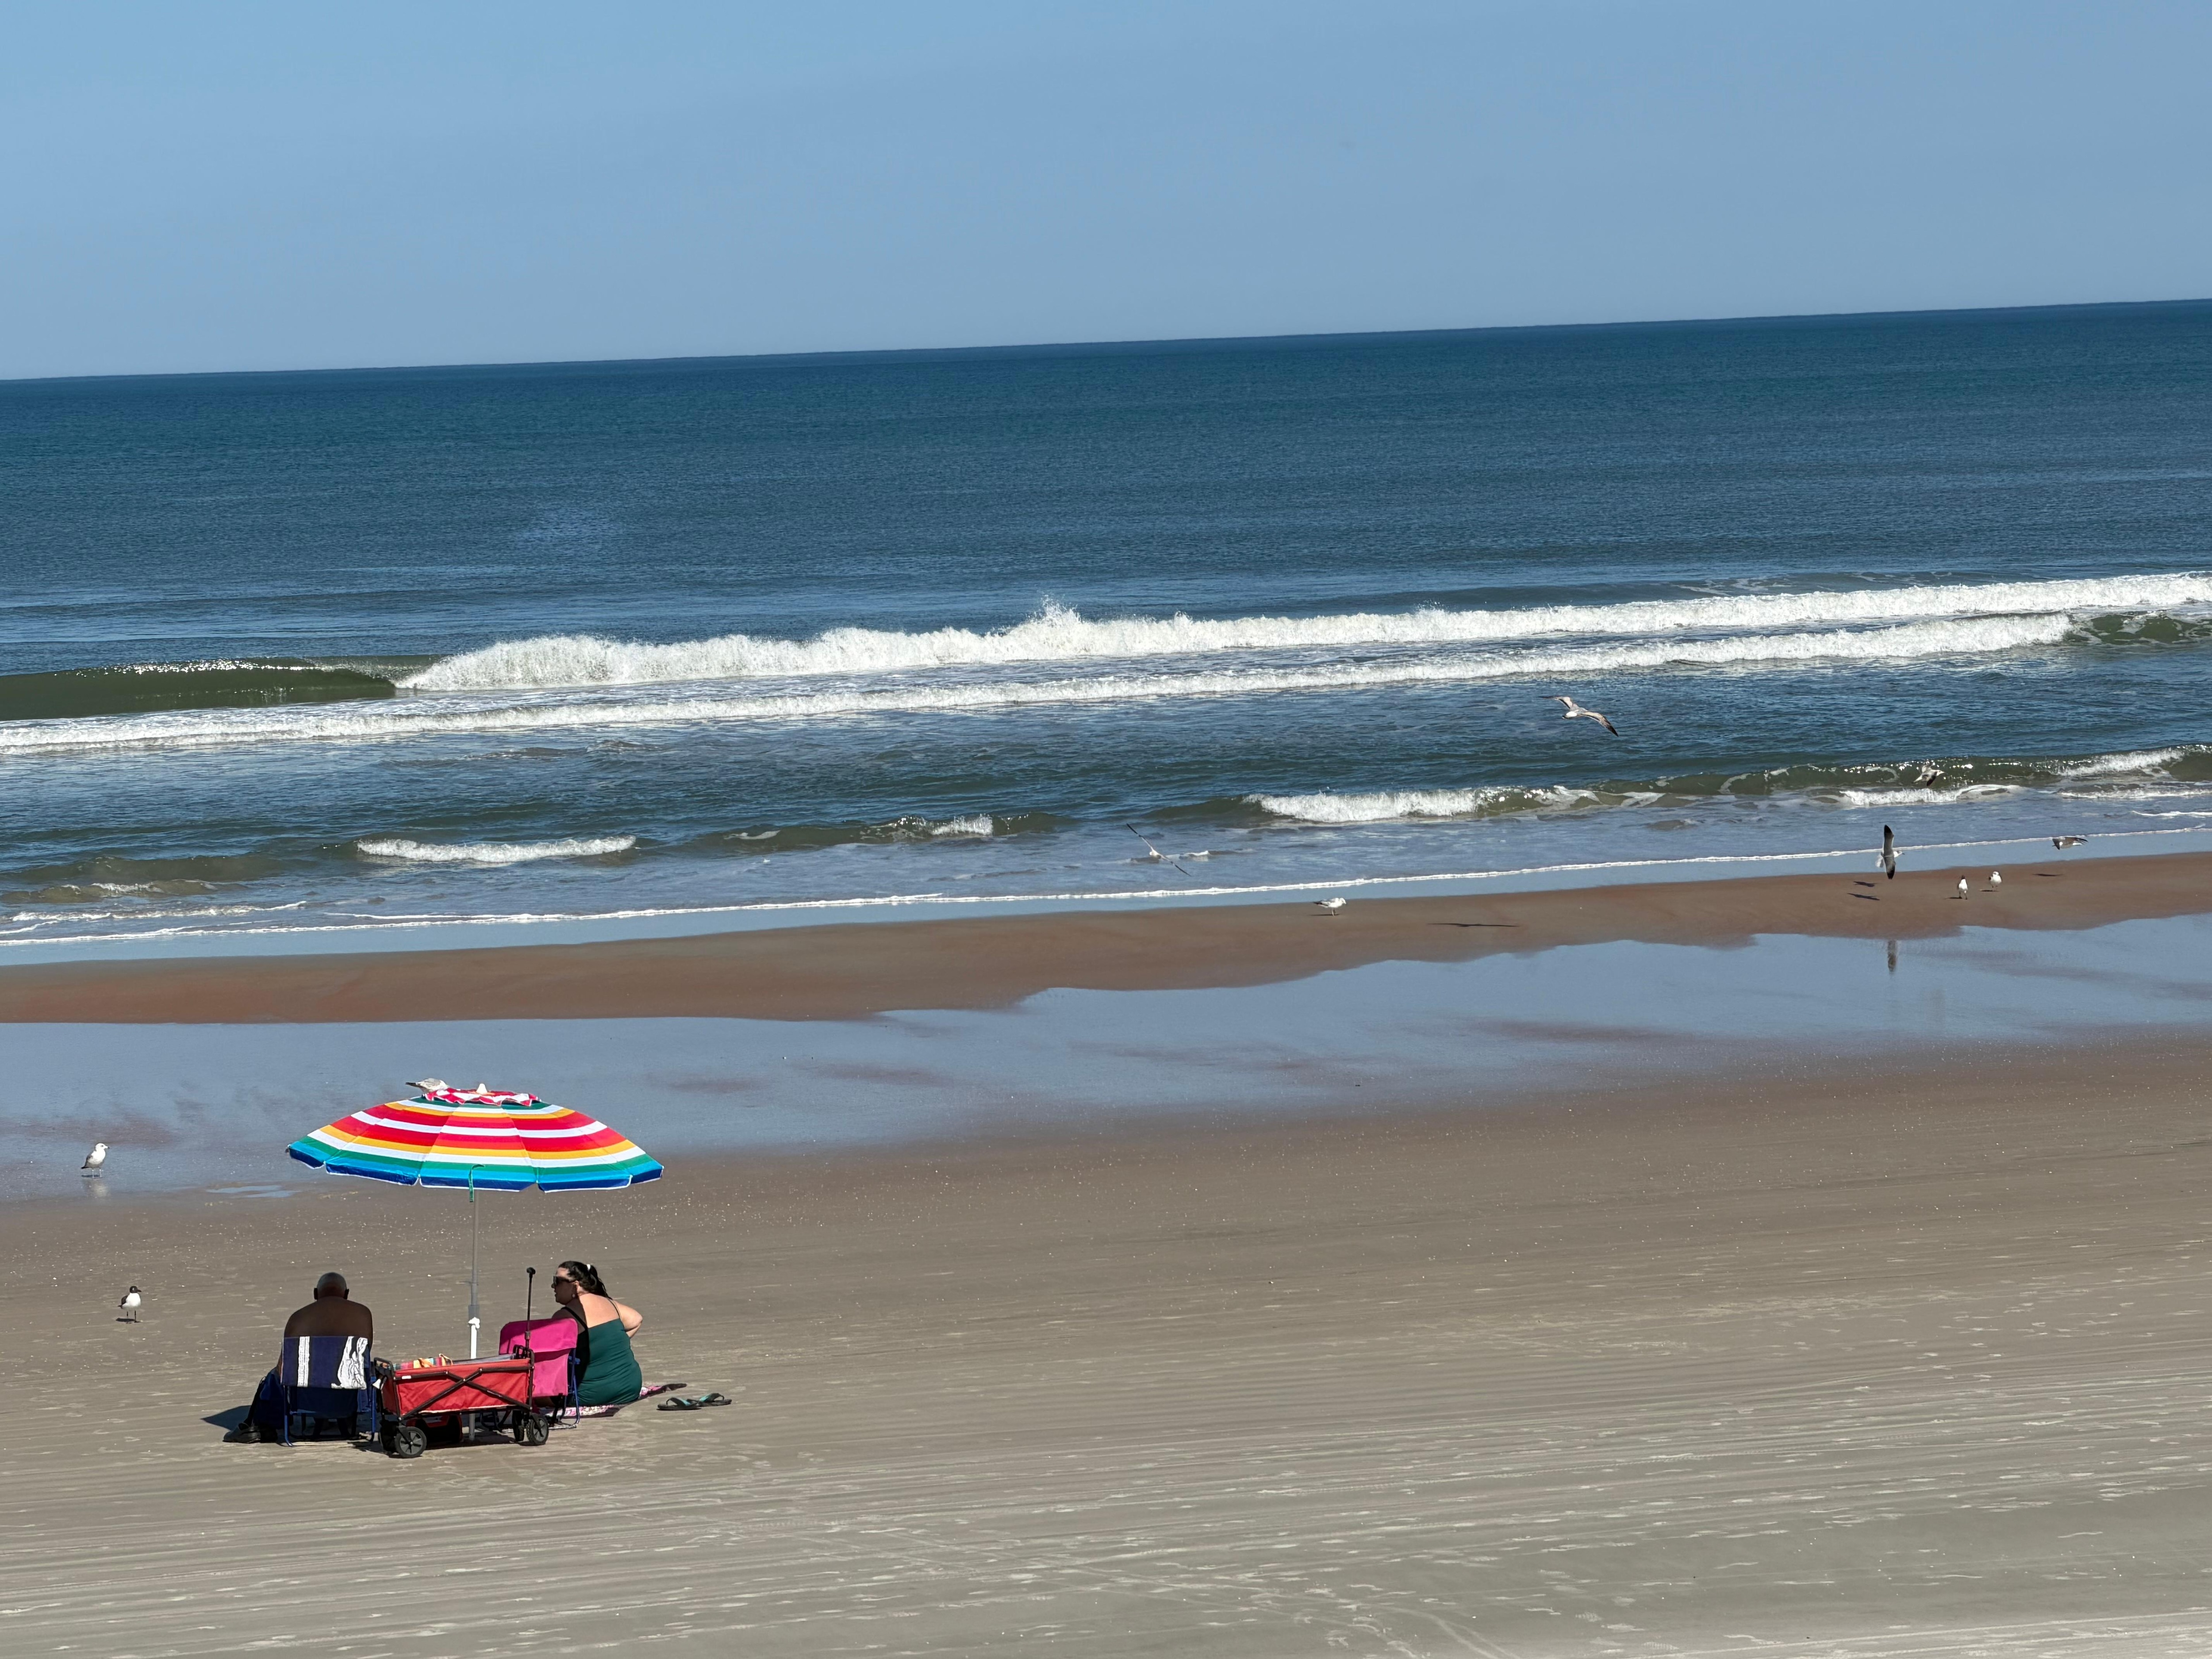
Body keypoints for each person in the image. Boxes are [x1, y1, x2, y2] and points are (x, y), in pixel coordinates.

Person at [226, 1272, 374, 1442]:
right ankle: (346, 1417)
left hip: (307, 1400)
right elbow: (366, 1350)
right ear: (346, 1294)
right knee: (363, 1368)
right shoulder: (362, 1314)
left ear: (315, 1293)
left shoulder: (298, 1318)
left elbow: (283, 1370)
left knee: (273, 1378)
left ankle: (265, 1424)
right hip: (348, 1397)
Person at [551, 1260, 643, 1407]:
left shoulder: (565, 1316)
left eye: (558, 1281)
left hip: (594, 1395)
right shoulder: (609, 1303)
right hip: (631, 1387)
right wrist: (609, 1346)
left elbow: (550, 1360)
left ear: (575, 1286)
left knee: (538, 1395)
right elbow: (637, 1320)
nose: (553, 1286)